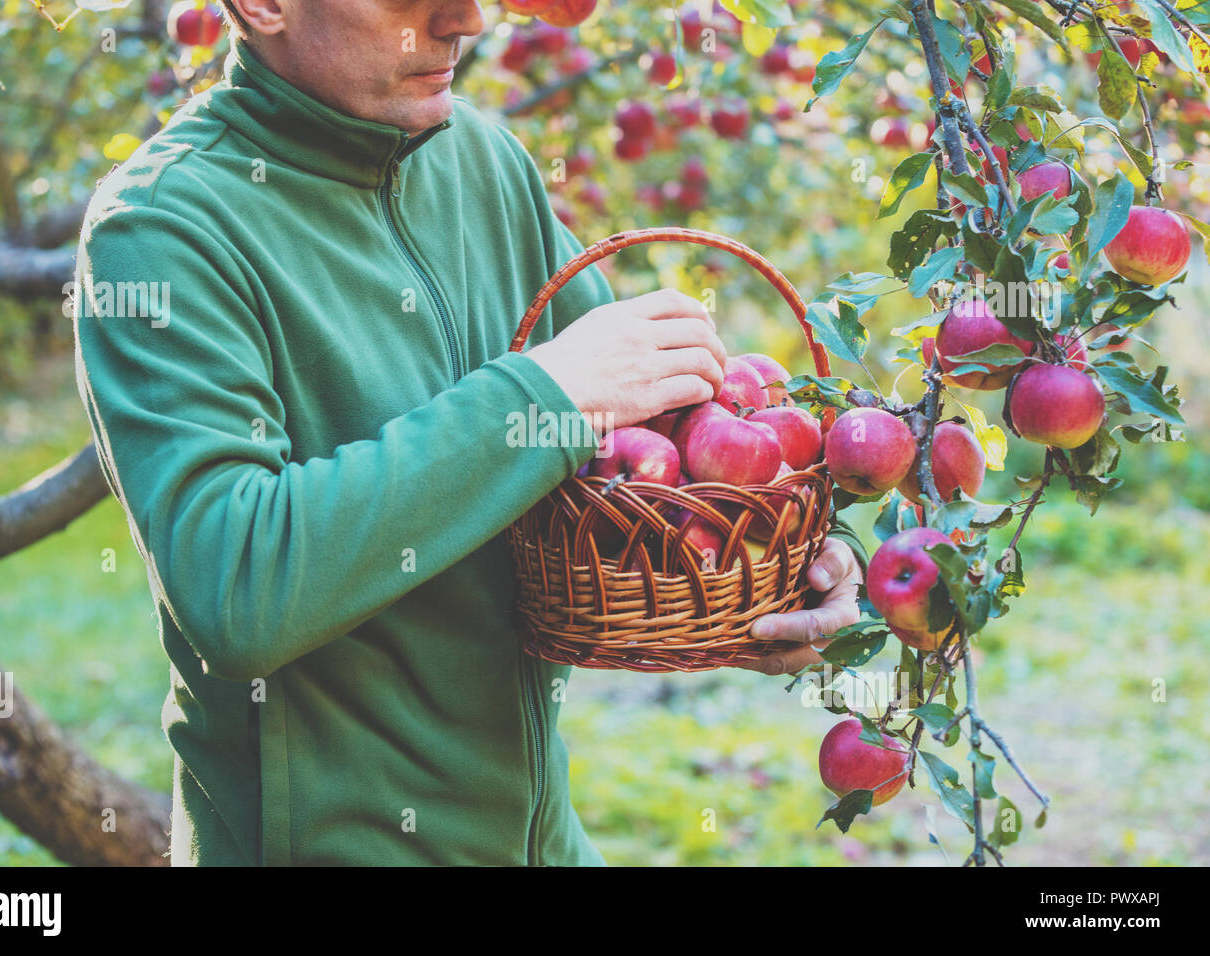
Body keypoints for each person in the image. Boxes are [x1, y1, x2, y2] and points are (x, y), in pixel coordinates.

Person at [71, 0, 866, 866]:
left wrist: (789, 561)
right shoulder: (161, 230)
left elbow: (661, 446)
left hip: (541, 839)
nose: (465, 20)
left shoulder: (481, 161)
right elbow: (236, 587)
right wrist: (543, 402)